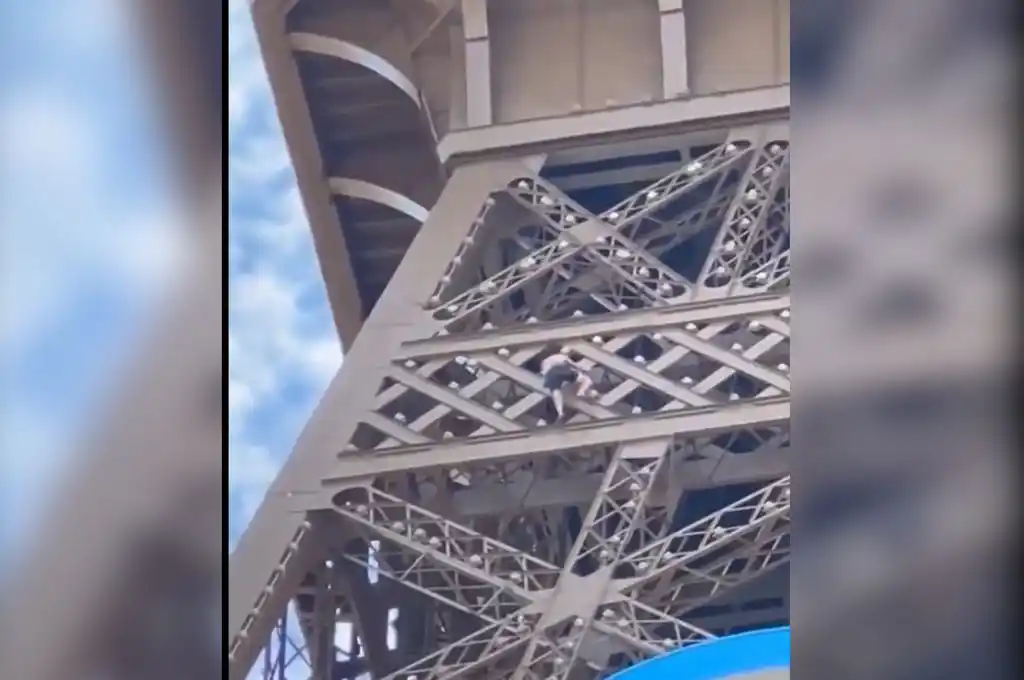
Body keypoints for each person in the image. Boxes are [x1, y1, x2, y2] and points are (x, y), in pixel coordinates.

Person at [539, 349, 594, 422]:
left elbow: (544, 369)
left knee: (556, 392)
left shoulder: (547, 360)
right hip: (562, 372)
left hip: (551, 375)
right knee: (586, 380)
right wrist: (584, 369)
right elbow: (572, 364)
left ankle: (560, 412)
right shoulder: (563, 357)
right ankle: (581, 392)